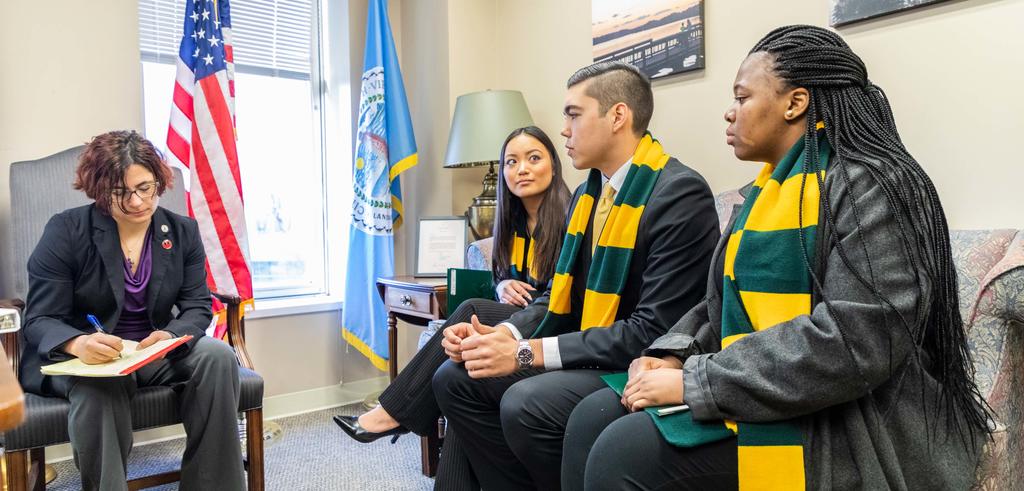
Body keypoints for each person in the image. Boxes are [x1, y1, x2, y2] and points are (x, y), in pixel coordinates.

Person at [562, 25, 992, 490]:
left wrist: (697, 380)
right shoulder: (763, 193)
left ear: (795, 103)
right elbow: (719, 304)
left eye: (743, 98)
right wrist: (671, 353)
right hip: (767, 385)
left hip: (846, 417)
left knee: (623, 453)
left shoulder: (874, 185)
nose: (729, 112)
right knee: (591, 417)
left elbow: (855, 341)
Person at [430, 61, 721, 490]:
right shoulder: (587, 195)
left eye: (572, 114)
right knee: (454, 379)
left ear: (617, 116)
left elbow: (651, 331)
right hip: (589, 347)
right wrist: (506, 336)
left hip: (635, 361)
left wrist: (525, 354)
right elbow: (556, 296)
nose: (563, 129)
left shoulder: (678, 193)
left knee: (525, 403)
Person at [333, 126, 572, 485]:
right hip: (518, 328)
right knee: (463, 374)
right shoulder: (512, 225)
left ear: (553, 165)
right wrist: (502, 282)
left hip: (552, 334)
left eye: (533, 158)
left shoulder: (573, 220)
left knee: (471, 311)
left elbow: (558, 299)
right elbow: (501, 281)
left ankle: (393, 411)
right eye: (511, 161)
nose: (521, 169)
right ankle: (399, 414)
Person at [20, 130, 245, 490]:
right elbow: (39, 318)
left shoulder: (182, 231)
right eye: (121, 192)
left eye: (146, 187)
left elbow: (197, 305)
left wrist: (170, 336)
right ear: (99, 189)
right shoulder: (66, 230)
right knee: (100, 388)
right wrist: (78, 344)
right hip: (87, 358)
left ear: (158, 179)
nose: (138, 201)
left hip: (151, 350)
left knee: (217, 356)